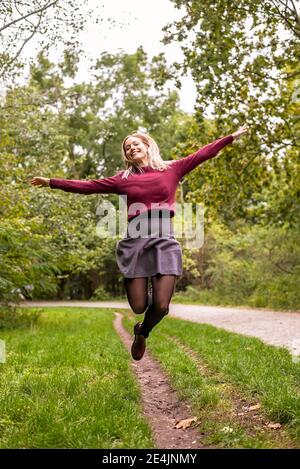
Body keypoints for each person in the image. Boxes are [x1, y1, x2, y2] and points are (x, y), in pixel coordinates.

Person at [31, 124, 248, 360]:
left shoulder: (172, 169)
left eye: (135, 143)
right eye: (127, 147)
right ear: (127, 156)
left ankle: (142, 332)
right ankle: (142, 316)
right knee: (138, 306)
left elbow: (203, 153)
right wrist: (51, 182)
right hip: (135, 241)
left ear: (147, 146)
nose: (132, 148)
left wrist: (230, 137)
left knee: (162, 306)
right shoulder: (122, 179)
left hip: (164, 239)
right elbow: (88, 186)